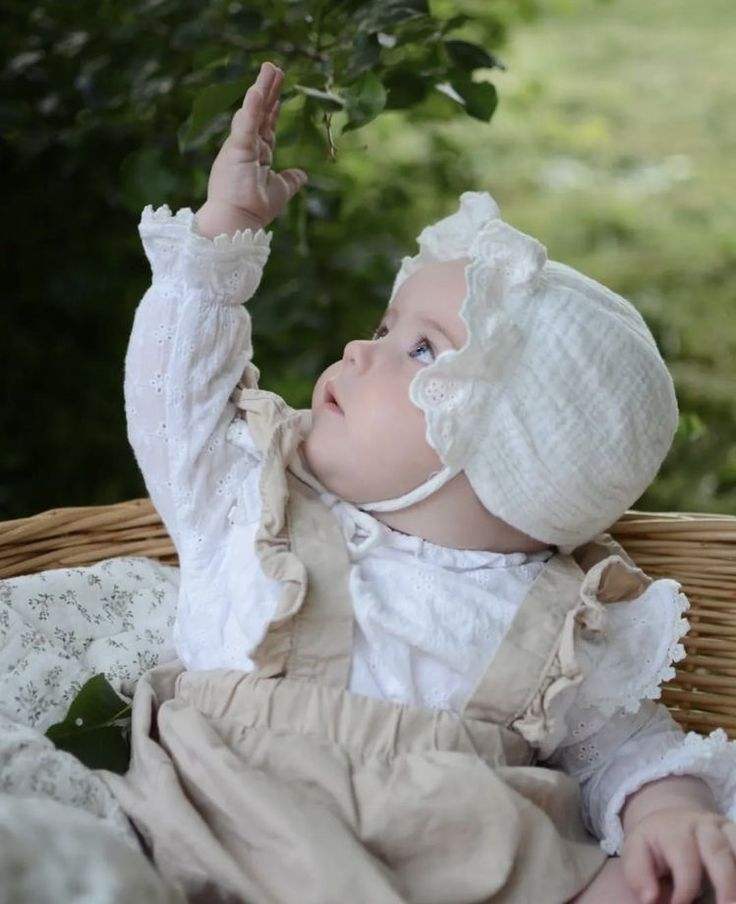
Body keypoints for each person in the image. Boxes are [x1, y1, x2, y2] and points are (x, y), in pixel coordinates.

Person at [112, 61, 736, 903]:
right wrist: (226, 228)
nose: (361, 349)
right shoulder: (249, 497)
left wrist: (670, 809)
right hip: (221, 828)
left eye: (422, 349)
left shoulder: (559, 618)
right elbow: (171, 392)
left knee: (647, 884)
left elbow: (622, 750)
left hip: (467, 860)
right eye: (384, 325)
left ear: (508, 453)